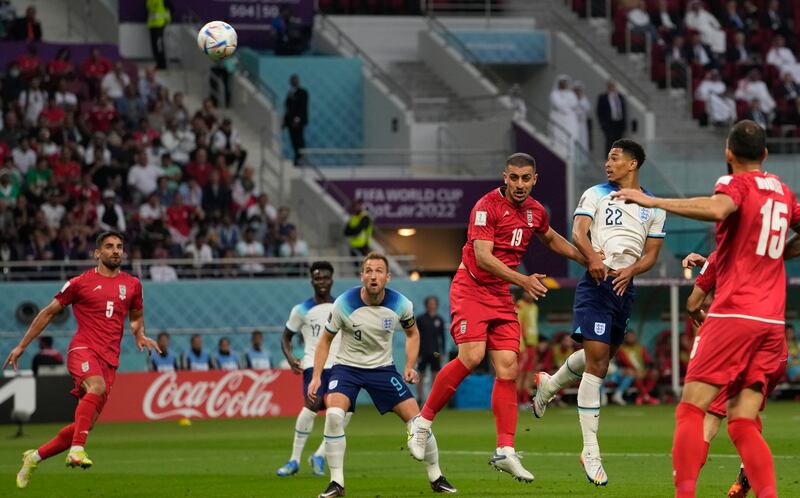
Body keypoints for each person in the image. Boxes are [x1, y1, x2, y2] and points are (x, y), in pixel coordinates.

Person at [613, 120, 800, 498]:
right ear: (764, 154)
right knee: (743, 421)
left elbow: (718, 209)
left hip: (733, 315)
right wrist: (780, 252)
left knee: (691, 410)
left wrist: (653, 200)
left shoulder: (734, 184)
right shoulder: (783, 191)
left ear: (728, 154)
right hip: (772, 323)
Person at [408, 153, 587, 483]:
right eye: (514, 177)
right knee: (473, 356)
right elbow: (483, 257)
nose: (520, 184)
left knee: (508, 366)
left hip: (500, 293)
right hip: (472, 287)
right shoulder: (485, 207)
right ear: (505, 177)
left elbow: (549, 237)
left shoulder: (536, 211)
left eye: (526, 178)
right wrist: (523, 280)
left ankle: (505, 451)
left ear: (535, 179)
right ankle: (422, 423)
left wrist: (586, 257)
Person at [533, 139, 666, 487]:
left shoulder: (651, 205)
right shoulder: (595, 193)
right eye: (607, 157)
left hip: (625, 287)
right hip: (596, 283)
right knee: (598, 364)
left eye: (615, 158)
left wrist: (633, 271)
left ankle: (550, 385)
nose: (608, 163)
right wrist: (593, 258)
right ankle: (590, 450)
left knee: (600, 359)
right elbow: (578, 232)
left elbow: (651, 254)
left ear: (633, 164)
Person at [5, 230, 158, 488]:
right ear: (97, 253)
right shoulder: (79, 283)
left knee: (83, 424)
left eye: (119, 246)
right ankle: (77, 450)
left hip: (110, 360)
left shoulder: (133, 284)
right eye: (109, 246)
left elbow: (135, 314)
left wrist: (139, 333)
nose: (116, 251)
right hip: (83, 350)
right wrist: (22, 345)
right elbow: (48, 313)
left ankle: (35, 456)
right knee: (95, 389)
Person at [309, 252, 457, 497]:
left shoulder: (401, 304)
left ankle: (436, 477)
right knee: (334, 415)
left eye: (378, 271)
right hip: (347, 368)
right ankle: (337, 484)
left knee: (418, 422)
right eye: (368, 271)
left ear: (387, 277)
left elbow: (412, 334)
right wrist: (316, 376)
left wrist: (409, 365)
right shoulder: (344, 303)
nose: (373, 275)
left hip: (382, 369)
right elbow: (325, 340)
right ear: (362, 276)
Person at [276, 261, 341, 478]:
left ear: (332, 279)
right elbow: (286, 337)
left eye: (325, 277)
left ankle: (319, 456)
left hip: (340, 365)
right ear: (311, 281)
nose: (322, 281)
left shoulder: (342, 306)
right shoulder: (301, 309)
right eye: (317, 278)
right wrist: (290, 357)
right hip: (314, 365)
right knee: (312, 405)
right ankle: (294, 459)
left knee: (341, 413)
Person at [616, 331, 659, 405]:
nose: (630, 339)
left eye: (632, 337)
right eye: (628, 337)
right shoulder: (621, 349)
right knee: (634, 375)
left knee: (654, 373)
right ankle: (647, 397)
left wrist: (645, 371)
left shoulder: (640, 348)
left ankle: (641, 397)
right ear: (624, 338)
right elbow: (623, 364)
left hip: (642, 371)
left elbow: (648, 361)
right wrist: (635, 371)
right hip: (630, 372)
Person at [416, 296, 446, 402]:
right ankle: (419, 398)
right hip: (423, 351)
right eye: (430, 303)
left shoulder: (439, 320)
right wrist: (416, 352)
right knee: (420, 375)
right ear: (426, 304)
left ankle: (433, 400)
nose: (432, 305)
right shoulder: (420, 319)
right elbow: (416, 336)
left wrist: (442, 352)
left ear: (436, 305)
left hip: (435, 352)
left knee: (435, 374)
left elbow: (442, 337)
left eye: (434, 303)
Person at [516, 292, 539, 408]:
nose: (529, 294)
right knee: (520, 374)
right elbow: (520, 325)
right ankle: (516, 401)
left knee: (529, 375)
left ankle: (525, 401)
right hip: (523, 345)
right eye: (526, 292)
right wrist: (522, 343)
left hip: (532, 344)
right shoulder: (519, 306)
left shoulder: (535, 307)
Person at [548, 75, 579, 157]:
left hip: (569, 119)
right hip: (558, 117)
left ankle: (570, 154)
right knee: (558, 135)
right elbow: (558, 104)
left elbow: (574, 103)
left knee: (569, 136)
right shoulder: (554, 93)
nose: (563, 84)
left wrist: (565, 107)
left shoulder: (571, 94)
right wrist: (566, 107)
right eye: (561, 83)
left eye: (564, 83)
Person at [283, 74, 308, 164]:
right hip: (290, 122)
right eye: (291, 81)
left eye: (294, 80)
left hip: (298, 122)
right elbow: (287, 108)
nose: (293, 82)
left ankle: (301, 157)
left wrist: (297, 119)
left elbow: (302, 107)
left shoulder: (303, 92)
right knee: (293, 140)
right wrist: (285, 122)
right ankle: (297, 156)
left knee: (299, 139)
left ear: (298, 81)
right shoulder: (290, 93)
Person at [596, 81, 626, 153]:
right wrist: (603, 124)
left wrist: (624, 123)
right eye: (610, 86)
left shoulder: (620, 96)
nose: (612, 88)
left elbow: (624, 110)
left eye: (613, 86)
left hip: (619, 123)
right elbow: (599, 112)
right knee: (609, 142)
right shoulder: (603, 97)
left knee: (619, 143)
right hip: (609, 123)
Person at [146, 0, 171, 69]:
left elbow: (170, 8)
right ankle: (158, 63)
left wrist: (166, 20)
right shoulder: (149, 1)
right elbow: (148, 11)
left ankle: (162, 64)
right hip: (152, 25)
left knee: (159, 45)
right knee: (154, 46)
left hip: (160, 25)